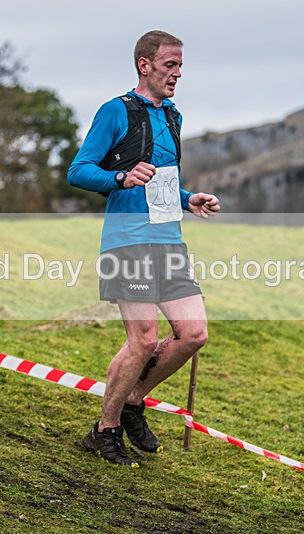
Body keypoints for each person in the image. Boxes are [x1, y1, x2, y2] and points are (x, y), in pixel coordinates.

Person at [68, 30, 220, 467]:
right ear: (145, 65)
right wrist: (119, 178)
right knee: (143, 340)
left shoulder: (173, 116)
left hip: (168, 239)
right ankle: (106, 428)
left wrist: (189, 199)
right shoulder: (115, 111)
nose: (176, 74)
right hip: (127, 242)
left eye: (180, 67)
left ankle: (134, 401)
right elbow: (79, 171)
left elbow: (163, 184)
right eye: (170, 65)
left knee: (193, 334)